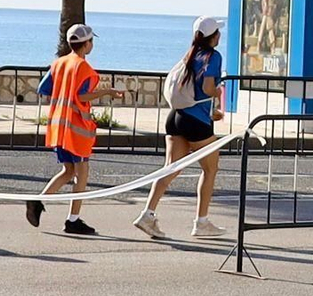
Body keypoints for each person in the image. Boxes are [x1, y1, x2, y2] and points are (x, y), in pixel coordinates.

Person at [25, 24, 125, 235]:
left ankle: (38, 201)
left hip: (59, 126)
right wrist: (107, 91)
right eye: (91, 41)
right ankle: (73, 220)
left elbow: (44, 88)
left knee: (68, 171)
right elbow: (81, 96)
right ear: (87, 44)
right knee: (81, 174)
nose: (92, 45)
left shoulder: (59, 63)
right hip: (76, 129)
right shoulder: (84, 68)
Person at [134, 17, 227, 240]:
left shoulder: (190, 54)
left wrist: (208, 108)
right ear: (215, 36)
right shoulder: (213, 56)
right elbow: (206, 87)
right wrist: (218, 91)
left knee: (170, 168)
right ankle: (201, 222)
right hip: (196, 121)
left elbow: (190, 90)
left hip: (176, 116)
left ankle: (148, 214)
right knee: (210, 169)